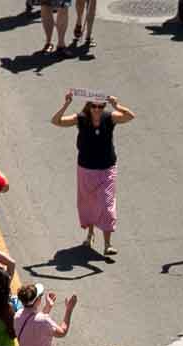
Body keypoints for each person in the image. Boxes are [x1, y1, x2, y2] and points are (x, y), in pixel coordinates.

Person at [51, 92, 132, 254]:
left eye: (100, 106)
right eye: (94, 106)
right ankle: (90, 234)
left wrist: (117, 105)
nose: (97, 110)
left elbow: (129, 116)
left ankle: (107, 244)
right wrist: (66, 104)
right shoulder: (81, 118)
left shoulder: (109, 117)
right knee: (89, 203)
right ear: (89, 106)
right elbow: (56, 121)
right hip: (86, 168)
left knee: (107, 204)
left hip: (107, 167)